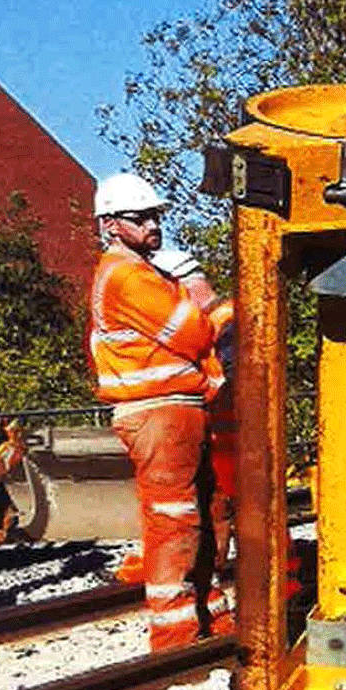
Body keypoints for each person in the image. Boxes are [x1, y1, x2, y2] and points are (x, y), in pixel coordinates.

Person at [88, 174, 234, 650]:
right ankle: (173, 634)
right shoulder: (126, 276)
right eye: (141, 218)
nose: (154, 225)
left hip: (178, 408)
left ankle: (209, 616)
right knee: (174, 517)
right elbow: (194, 334)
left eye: (157, 217)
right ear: (111, 224)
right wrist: (201, 295)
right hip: (158, 411)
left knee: (203, 512)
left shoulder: (143, 273)